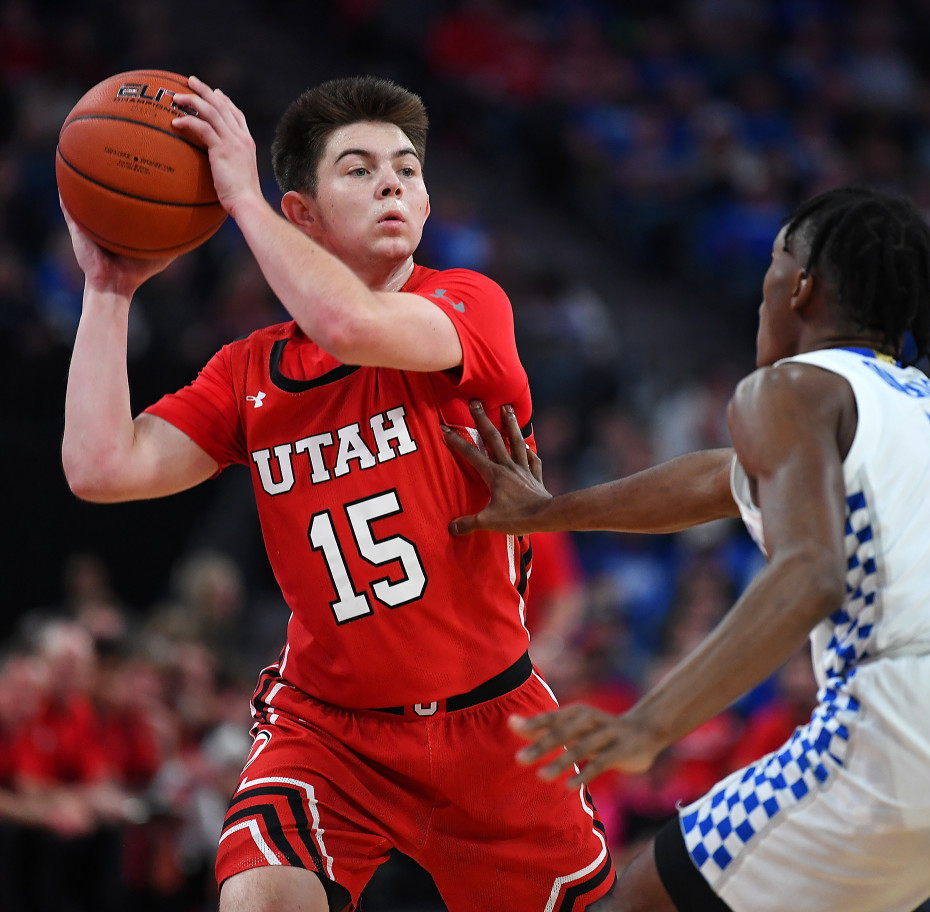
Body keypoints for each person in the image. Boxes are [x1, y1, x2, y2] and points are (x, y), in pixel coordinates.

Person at [443, 186, 930, 911]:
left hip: (917, 721)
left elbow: (811, 574)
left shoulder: (787, 388)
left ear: (800, 286)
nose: (762, 292)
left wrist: (650, 723)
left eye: (772, 269)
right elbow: (718, 481)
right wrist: (550, 512)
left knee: (640, 901)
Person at [60, 74, 613, 912]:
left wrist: (238, 199)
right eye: (358, 169)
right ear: (303, 215)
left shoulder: (467, 304)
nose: (393, 182)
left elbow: (350, 326)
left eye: (407, 169)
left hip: (490, 720)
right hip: (330, 728)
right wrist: (109, 291)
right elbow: (101, 467)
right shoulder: (250, 374)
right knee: (261, 902)